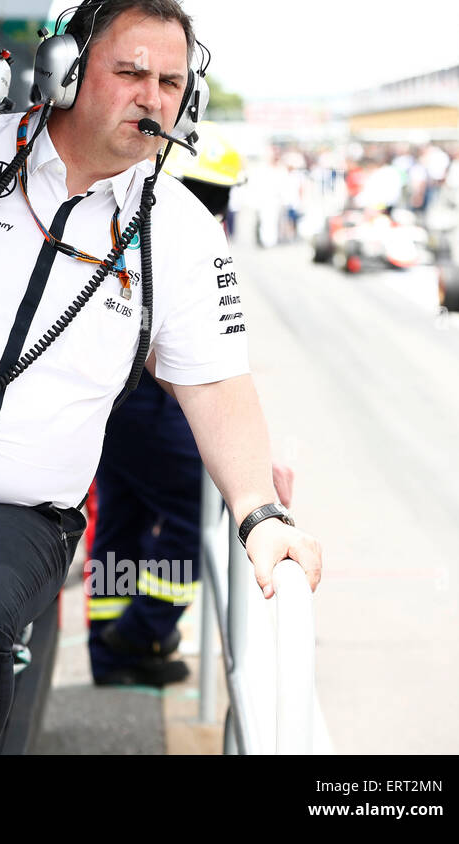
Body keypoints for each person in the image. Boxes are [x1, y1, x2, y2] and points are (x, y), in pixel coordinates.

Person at [0, 0, 322, 754]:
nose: (153, 97)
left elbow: (215, 379)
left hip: (19, 515)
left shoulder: (178, 229)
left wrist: (259, 512)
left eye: (172, 83)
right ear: (66, 70)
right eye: (131, 72)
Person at [87, 123, 295, 686]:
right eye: (214, 196)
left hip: (115, 402)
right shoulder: (172, 230)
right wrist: (245, 470)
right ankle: (139, 631)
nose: (218, 211)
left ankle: (111, 653)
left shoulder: (134, 217)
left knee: (123, 517)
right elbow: (197, 358)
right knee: (196, 510)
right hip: (153, 401)